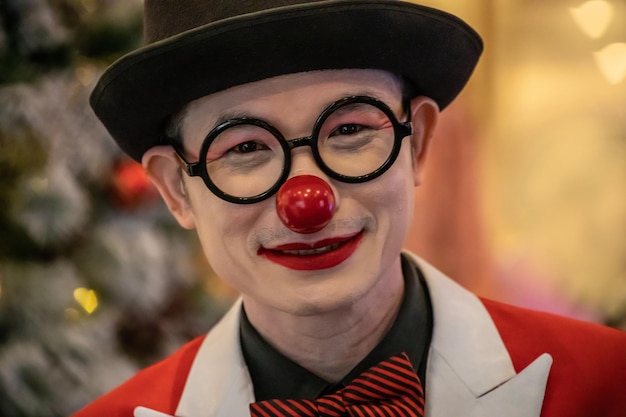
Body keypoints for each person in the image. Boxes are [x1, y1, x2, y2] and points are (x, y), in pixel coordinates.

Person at [73, 1, 626, 416]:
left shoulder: (606, 383)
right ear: (175, 189)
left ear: (419, 144)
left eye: (350, 130)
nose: (307, 201)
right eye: (244, 148)